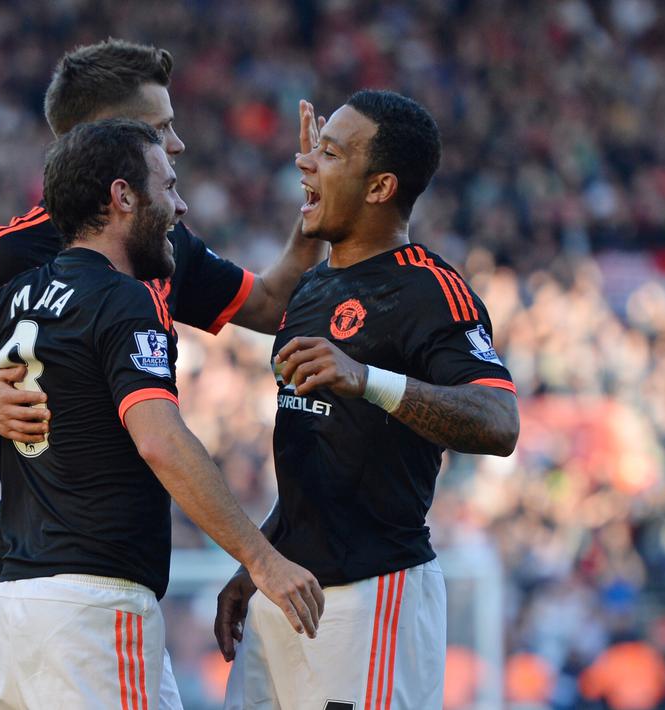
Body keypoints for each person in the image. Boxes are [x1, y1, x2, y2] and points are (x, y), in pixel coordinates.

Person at [0, 38, 325, 709]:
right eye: (161, 129)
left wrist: (313, 201)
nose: (180, 145)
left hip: (64, 587)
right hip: (76, 586)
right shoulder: (3, 254)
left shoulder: (156, 245)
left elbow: (271, 302)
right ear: (105, 142)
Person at [214, 90, 520, 709]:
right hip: (286, 592)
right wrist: (259, 561)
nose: (305, 163)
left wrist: (369, 379)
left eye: (328, 153)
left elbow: (500, 422)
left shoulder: (432, 289)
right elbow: (327, 456)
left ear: (380, 187)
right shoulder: (312, 288)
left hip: (371, 601)